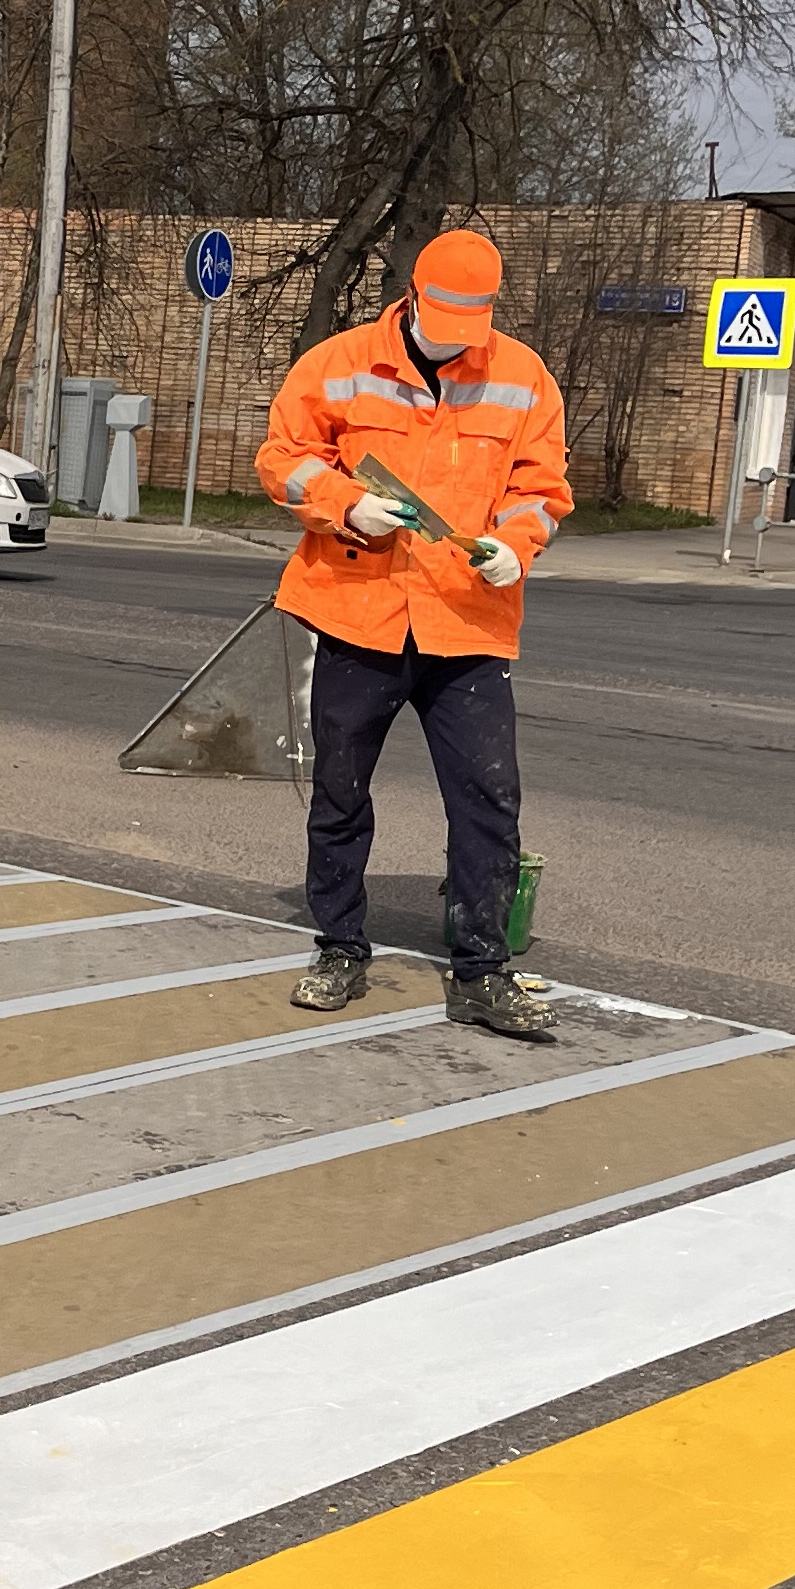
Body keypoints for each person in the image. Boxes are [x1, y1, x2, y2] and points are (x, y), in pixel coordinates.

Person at [252, 226, 573, 1044]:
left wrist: (517, 542)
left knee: (488, 801)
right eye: (443, 319)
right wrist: (341, 503)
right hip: (357, 611)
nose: (456, 339)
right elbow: (282, 457)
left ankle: (482, 972)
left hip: (466, 622)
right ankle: (339, 947)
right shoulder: (342, 362)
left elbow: (541, 487)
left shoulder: (523, 376)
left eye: (473, 324)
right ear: (413, 296)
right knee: (339, 792)